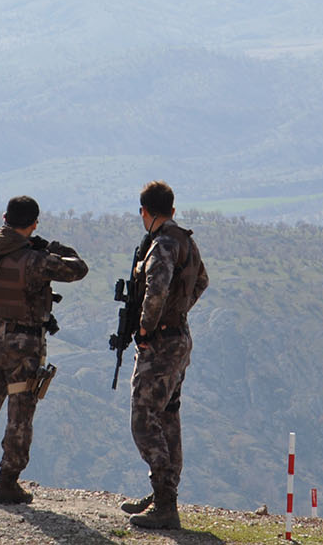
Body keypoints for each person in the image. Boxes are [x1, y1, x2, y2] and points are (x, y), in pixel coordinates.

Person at [0, 195, 88, 504]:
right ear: (33, 223)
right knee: (20, 416)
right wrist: (54, 247)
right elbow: (78, 269)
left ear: (4, 217)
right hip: (24, 346)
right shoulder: (36, 260)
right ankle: (7, 484)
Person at [121, 180, 208, 530]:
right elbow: (201, 281)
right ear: (171, 210)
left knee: (143, 415)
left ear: (145, 212)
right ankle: (163, 495)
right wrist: (179, 312)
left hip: (161, 342)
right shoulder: (187, 241)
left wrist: (145, 327)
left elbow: (155, 290)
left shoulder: (161, 245)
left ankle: (165, 502)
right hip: (180, 338)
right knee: (168, 415)